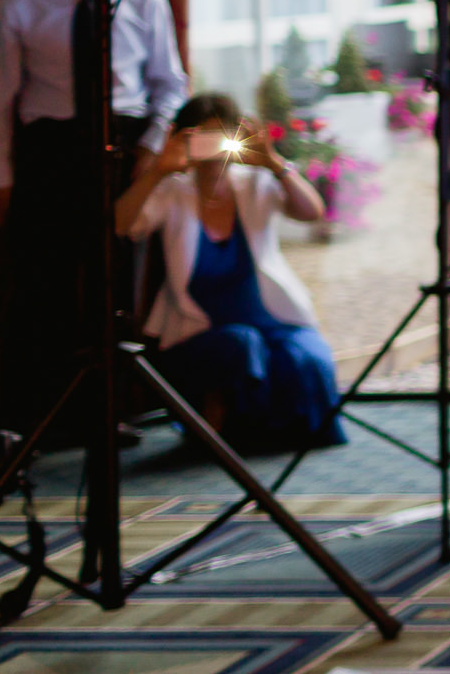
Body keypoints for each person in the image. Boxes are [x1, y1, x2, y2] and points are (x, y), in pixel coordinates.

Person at [0, 0, 187, 438]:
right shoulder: (19, 3)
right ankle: (39, 418)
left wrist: (151, 146)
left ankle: (105, 413)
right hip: (52, 151)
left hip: (127, 151)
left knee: (115, 285)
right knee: (44, 282)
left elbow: (170, 84)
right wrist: (0, 179)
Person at [114, 94, 344, 453]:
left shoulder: (254, 183)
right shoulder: (172, 189)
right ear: (181, 136)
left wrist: (272, 161)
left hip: (272, 319)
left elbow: (312, 212)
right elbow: (122, 225)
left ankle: (271, 436)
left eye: (221, 136)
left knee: (307, 358)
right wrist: (159, 168)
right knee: (241, 344)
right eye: (201, 137)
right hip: (199, 331)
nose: (212, 149)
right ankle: (222, 434)